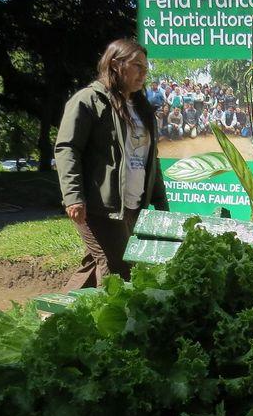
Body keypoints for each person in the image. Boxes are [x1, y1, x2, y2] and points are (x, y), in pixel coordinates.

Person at [54, 38, 168, 289]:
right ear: (116, 64)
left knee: (96, 263)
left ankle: (51, 319)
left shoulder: (143, 110)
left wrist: (159, 201)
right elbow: (67, 148)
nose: (143, 72)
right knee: (117, 268)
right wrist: (73, 196)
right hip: (100, 206)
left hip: (134, 204)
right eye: (137, 65)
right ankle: (112, 327)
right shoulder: (88, 101)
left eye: (146, 67)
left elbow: (151, 160)